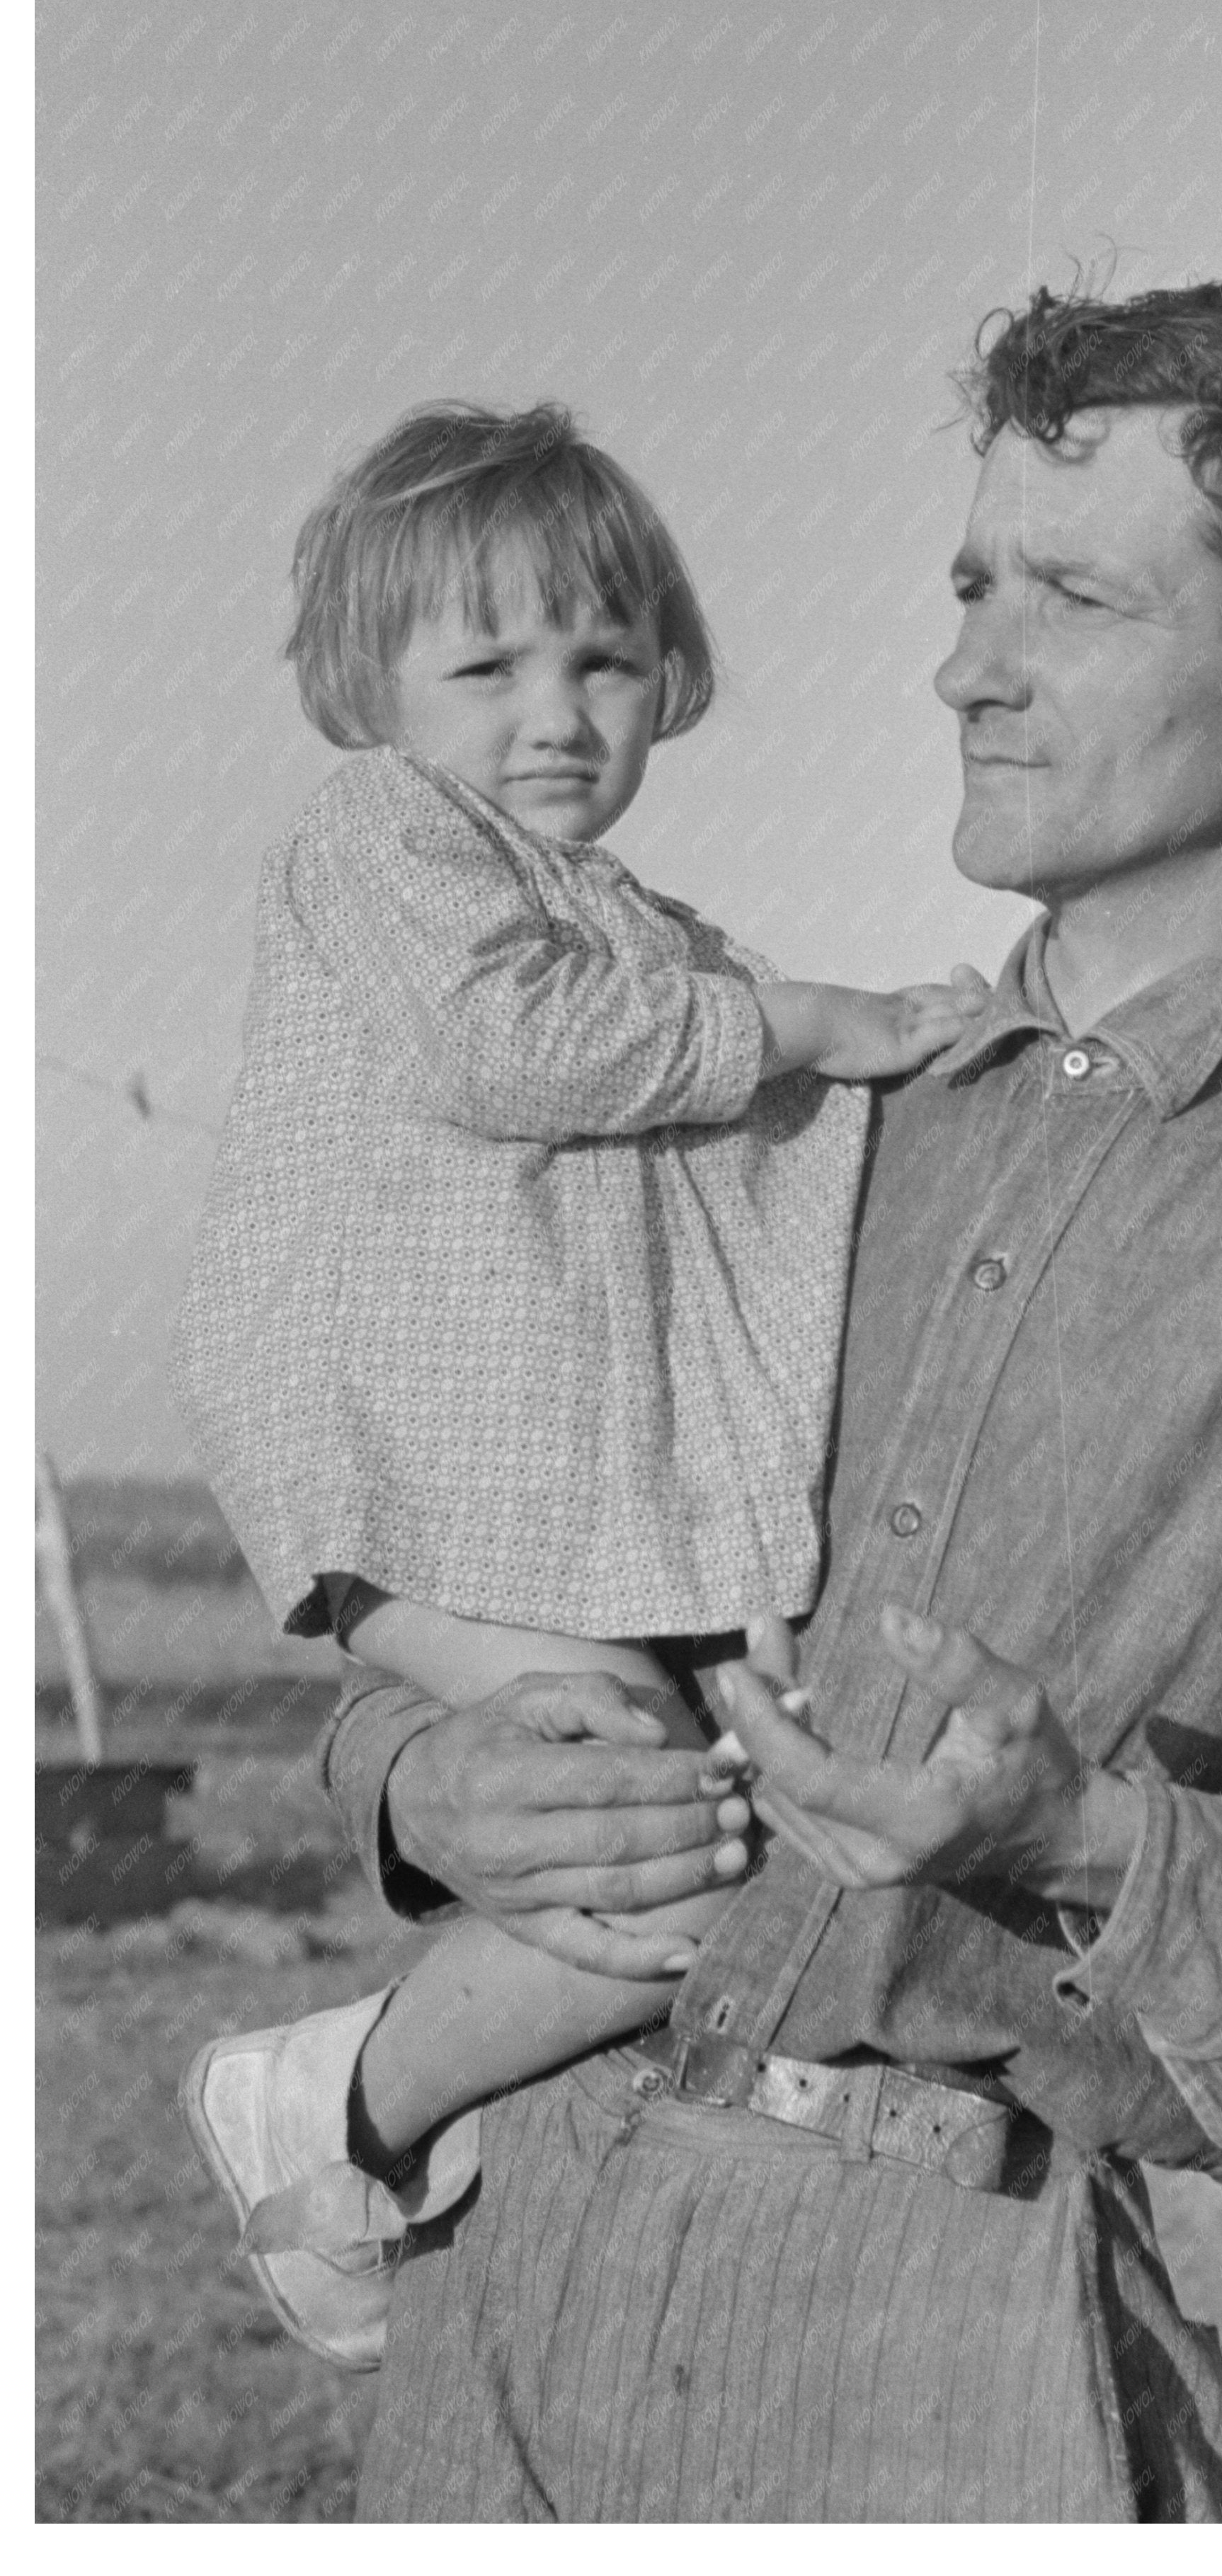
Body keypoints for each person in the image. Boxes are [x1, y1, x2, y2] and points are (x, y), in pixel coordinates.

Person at [319, 273, 1222, 2522]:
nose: (968, 659)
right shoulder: (771, 1086)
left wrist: (1091, 1842)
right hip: (501, 2280)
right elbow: (468, 1557)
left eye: (1070, 592)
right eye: (970, 584)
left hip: (952, 2334)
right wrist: (424, 1777)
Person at [173, 401, 986, 2368]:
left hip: (559, 1497)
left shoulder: (641, 930)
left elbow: (745, 1162)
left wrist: (914, 1068)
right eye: (489, 664)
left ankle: (368, 2098)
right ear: (376, 687)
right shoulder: (381, 839)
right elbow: (513, 1052)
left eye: (605, 659)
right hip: (393, 1470)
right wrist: (809, 1020)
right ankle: (331, 2096)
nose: (558, 712)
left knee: (719, 1839)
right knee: (645, 1805)